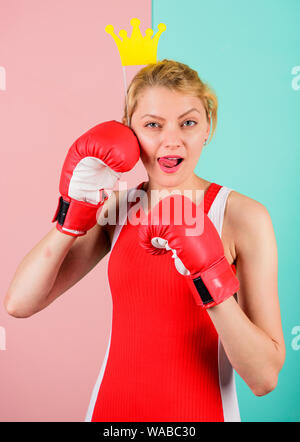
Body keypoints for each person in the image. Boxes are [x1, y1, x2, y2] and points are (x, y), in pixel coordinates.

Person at [4, 59, 285, 422]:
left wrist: (207, 277)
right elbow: (19, 303)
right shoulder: (117, 208)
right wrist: (71, 216)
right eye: (153, 125)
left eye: (188, 122)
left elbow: (263, 378)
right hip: (110, 415)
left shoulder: (241, 216)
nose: (171, 140)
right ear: (129, 133)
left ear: (207, 128)